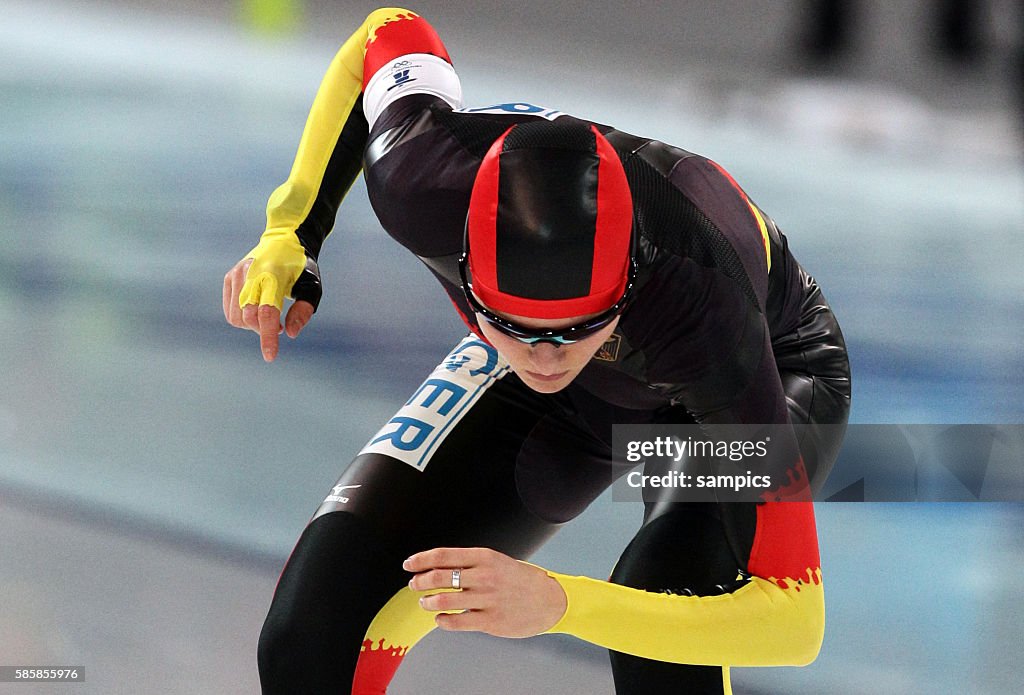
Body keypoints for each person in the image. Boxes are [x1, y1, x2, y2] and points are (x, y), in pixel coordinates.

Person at [221, 8, 851, 694]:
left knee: (665, 609)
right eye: (518, 324)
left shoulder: (705, 308)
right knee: (311, 635)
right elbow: (388, 30)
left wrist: (561, 603)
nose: (546, 357)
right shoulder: (419, 179)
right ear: (469, 270)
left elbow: (794, 620)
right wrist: (292, 230)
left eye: (575, 326)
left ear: (627, 283)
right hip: (599, 387)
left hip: (766, 364)